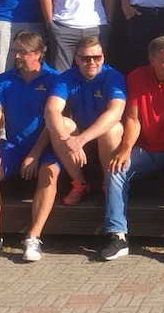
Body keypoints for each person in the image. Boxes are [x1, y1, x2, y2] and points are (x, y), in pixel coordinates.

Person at [100, 36, 164, 264]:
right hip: (144, 149)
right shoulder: (136, 77)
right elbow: (133, 119)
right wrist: (125, 150)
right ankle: (118, 236)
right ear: (152, 60)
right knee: (116, 169)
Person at [0, 30, 60, 263]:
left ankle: (33, 237)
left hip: (45, 146)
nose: (17, 56)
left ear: (39, 53)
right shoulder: (4, 80)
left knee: (50, 173)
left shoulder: (55, 79)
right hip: (12, 146)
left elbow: (52, 121)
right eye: (16, 51)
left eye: (23, 51)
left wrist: (35, 154)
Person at [45, 35, 127, 207]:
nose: (92, 63)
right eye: (86, 58)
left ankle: (109, 184)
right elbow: (52, 110)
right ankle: (79, 183)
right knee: (61, 124)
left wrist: (80, 140)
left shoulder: (113, 76)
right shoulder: (66, 77)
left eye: (97, 58)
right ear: (76, 59)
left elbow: (116, 112)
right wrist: (68, 140)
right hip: (78, 138)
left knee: (112, 129)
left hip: (102, 139)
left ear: (103, 57)